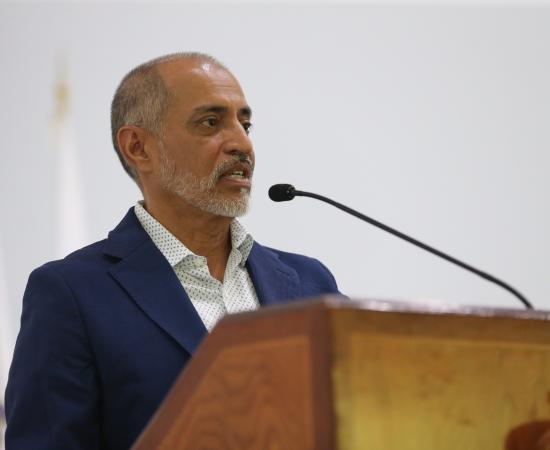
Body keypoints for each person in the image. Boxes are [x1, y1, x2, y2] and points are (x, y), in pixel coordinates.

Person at [4, 52, 340, 450]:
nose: (242, 144)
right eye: (210, 122)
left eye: (245, 124)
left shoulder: (310, 284)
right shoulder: (72, 295)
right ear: (138, 147)